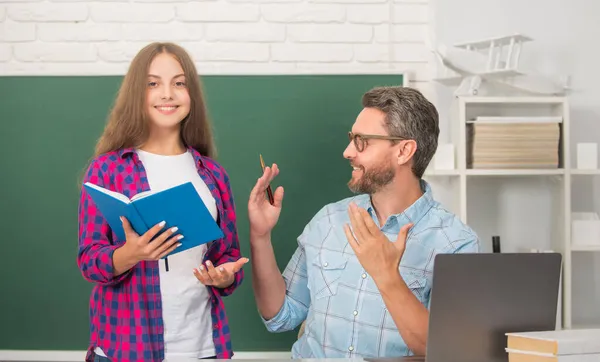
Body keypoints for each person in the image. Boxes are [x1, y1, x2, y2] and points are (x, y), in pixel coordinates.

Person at [247, 86, 480, 358]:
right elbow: (280, 315)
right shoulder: (329, 220)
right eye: (351, 138)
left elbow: (449, 352)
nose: (347, 152)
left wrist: (386, 275)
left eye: (362, 141)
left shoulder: (455, 243)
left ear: (404, 151)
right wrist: (260, 237)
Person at [77, 42, 248, 362]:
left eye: (179, 83)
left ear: (191, 95)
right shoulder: (107, 169)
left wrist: (226, 275)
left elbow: (229, 256)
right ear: (136, 95)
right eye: (153, 84)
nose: (167, 93)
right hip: (126, 348)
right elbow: (89, 260)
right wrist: (129, 254)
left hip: (202, 347)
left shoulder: (212, 175)